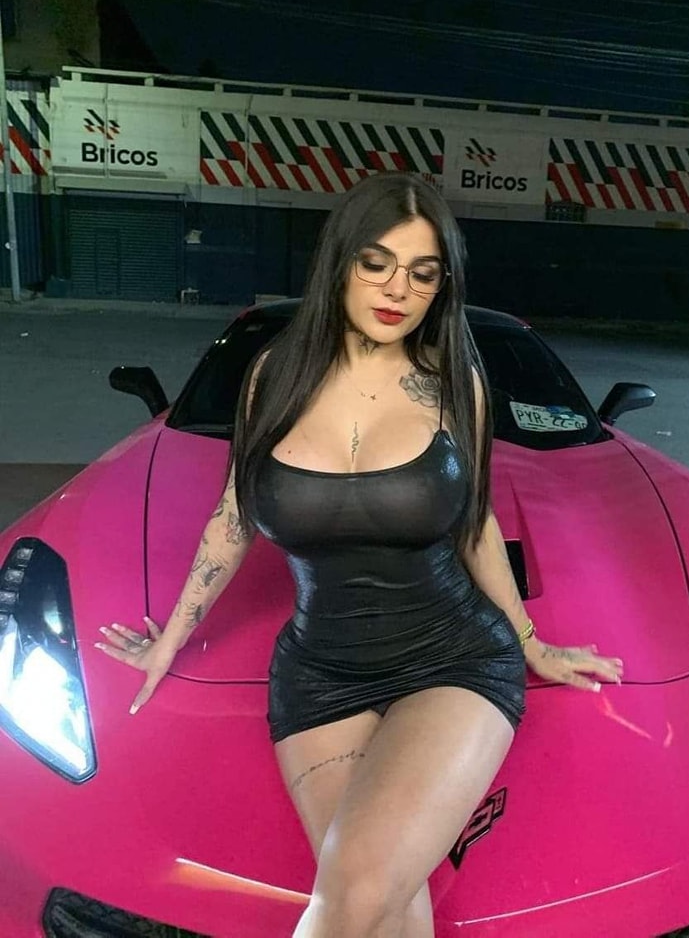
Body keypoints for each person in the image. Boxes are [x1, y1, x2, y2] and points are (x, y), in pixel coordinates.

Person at [96, 172, 624, 938]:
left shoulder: (456, 383)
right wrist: (168, 642)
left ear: (442, 286)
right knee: (388, 908)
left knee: (357, 889)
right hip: (320, 672)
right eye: (376, 262)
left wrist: (532, 644)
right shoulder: (272, 376)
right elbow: (234, 515)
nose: (397, 289)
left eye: (422, 272)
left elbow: (475, 523)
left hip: (451, 658)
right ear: (340, 261)